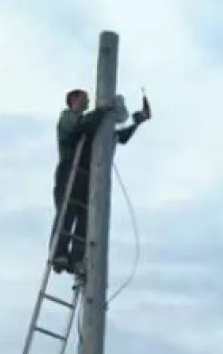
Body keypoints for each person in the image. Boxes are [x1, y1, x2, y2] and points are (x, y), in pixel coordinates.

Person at [51, 88, 151, 275]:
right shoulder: (68, 117)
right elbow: (79, 126)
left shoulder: (92, 125)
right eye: (85, 99)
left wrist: (138, 121)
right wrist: (102, 110)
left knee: (84, 220)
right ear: (73, 98)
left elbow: (118, 136)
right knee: (67, 215)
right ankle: (59, 254)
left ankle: (77, 258)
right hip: (70, 175)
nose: (88, 103)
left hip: (88, 180)